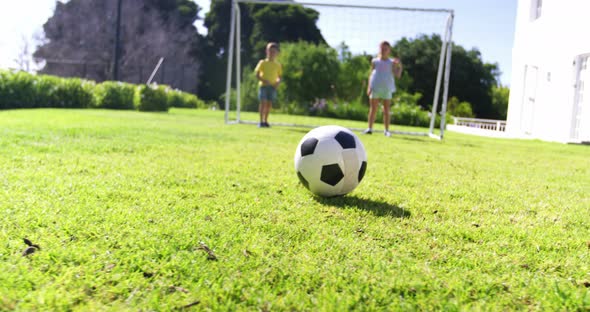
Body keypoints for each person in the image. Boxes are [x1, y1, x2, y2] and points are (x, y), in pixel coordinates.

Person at [363, 41, 403, 137]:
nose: (383, 50)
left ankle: (386, 130)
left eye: (385, 49)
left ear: (389, 50)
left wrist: (399, 66)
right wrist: (369, 87)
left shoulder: (392, 62)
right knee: (373, 109)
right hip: (375, 88)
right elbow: (371, 74)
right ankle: (370, 128)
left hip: (387, 89)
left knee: (386, 110)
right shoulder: (374, 61)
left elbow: (398, 75)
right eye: (382, 48)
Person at [254, 42, 282, 128]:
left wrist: (277, 82)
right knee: (263, 103)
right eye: (270, 51)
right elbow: (257, 74)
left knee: (269, 104)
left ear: (277, 53)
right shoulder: (262, 62)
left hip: (272, 87)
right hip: (264, 86)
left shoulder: (278, 65)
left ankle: (266, 121)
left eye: (274, 51)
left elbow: (279, 76)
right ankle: (261, 121)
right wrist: (264, 80)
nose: (272, 53)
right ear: (267, 51)